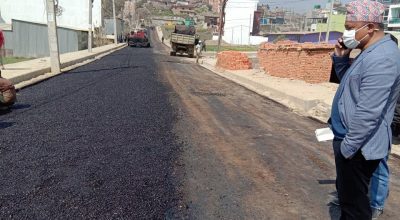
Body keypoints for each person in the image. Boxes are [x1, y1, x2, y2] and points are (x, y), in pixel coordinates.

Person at [329, 0, 400, 219]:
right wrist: (341, 60)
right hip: (351, 141)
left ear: (370, 27)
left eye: (351, 28)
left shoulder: (383, 58)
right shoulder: (369, 51)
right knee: (350, 201)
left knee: (355, 209)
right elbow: (350, 87)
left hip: (358, 147)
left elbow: (369, 112)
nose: (347, 33)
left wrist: (347, 148)